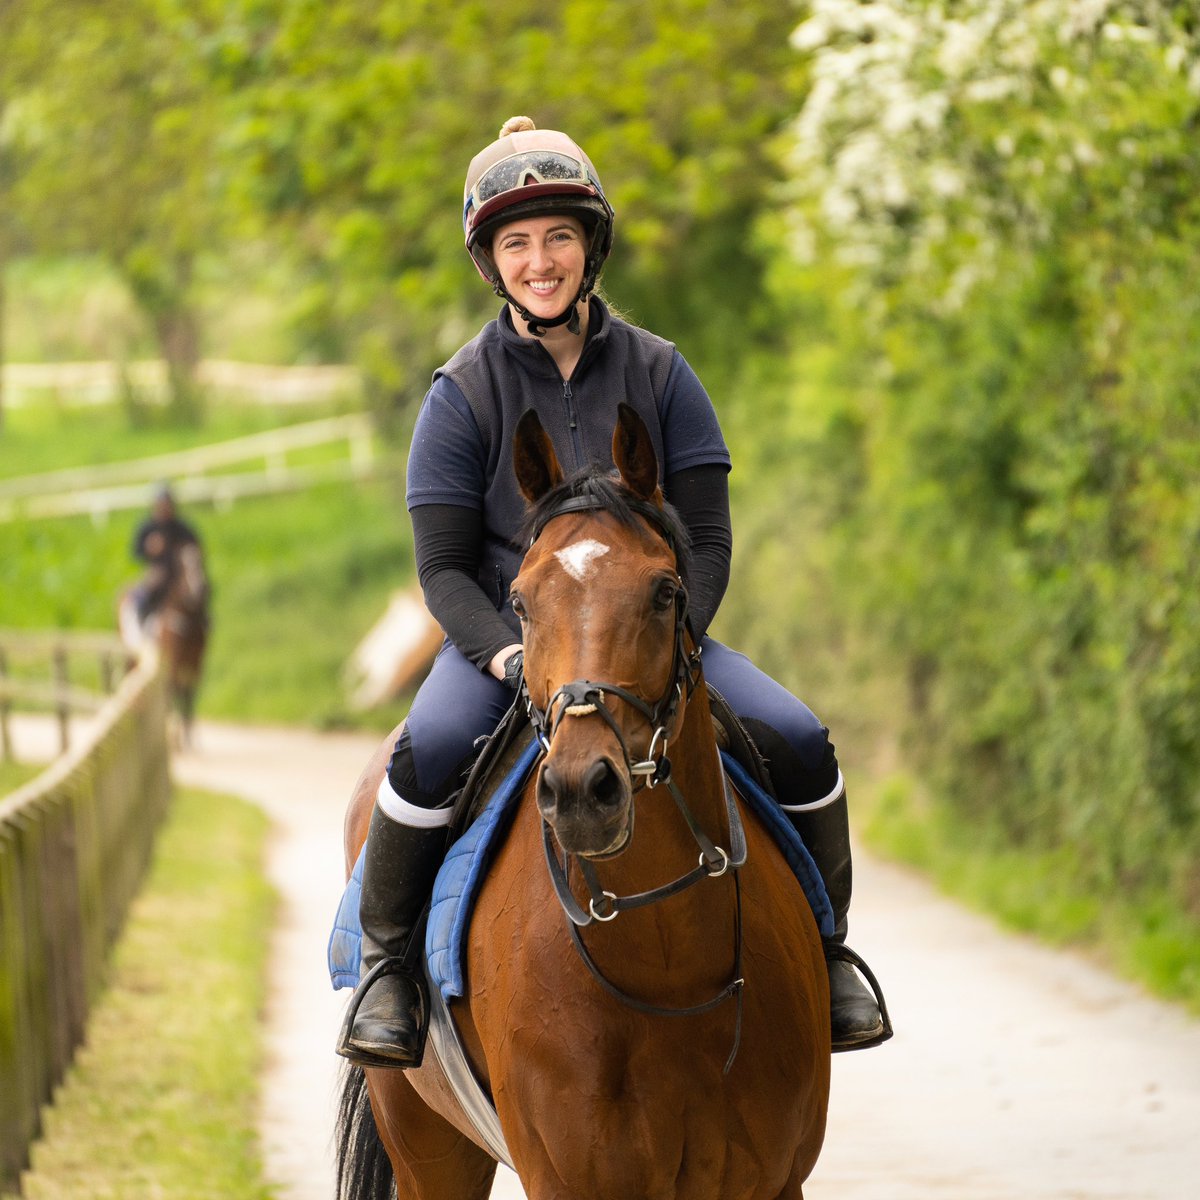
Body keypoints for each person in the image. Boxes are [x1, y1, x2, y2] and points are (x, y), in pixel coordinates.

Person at [339, 116, 886, 1069]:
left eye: (558, 237)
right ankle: (388, 973)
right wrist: (508, 654)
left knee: (797, 736)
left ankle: (830, 953)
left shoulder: (663, 371)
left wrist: (669, 639)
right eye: (516, 243)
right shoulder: (459, 395)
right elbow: (442, 571)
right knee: (423, 752)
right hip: (511, 645)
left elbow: (708, 538)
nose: (539, 260)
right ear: (491, 262)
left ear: (591, 246)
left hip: (647, 638)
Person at [129, 483, 202, 628]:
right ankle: (142, 617)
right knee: (152, 585)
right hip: (159, 568)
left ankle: (202, 620)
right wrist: (149, 548)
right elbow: (135, 553)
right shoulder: (148, 527)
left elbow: (195, 547)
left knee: (198, 586)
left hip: (181, 570)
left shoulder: (180, 527)